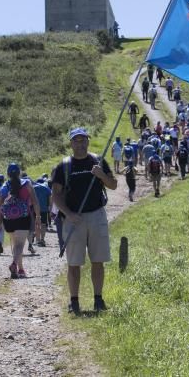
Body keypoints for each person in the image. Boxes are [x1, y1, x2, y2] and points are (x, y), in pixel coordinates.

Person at [52, 128, 117, 315]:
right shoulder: (63, 166)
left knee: (98, 260)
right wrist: (68, 214)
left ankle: (98, 300)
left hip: (97, 215)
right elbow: (55, 195)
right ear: (71, 143)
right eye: (76, 141)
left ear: (88, 142)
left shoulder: (98, 160)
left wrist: (102, 176)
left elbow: (113, 185)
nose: (80, 144)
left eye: (83, 140)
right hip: (73, 219)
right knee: (74, 262)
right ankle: (74, 302)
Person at [0, 163, 41, 279]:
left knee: (16, 245)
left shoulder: (4, 187)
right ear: (19, 172)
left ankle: (20, 269)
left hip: (8, 220)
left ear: (7, 173)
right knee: (20, 244)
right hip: (23, 218)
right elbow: (35, 202)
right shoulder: (27, 184)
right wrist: (38, 217)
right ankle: (14, 264)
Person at [33, 176, 52, 247]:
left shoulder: (33, 187)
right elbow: (50, 200)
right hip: (44, 209)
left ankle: (37, 240)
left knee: (37, 224)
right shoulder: (47, 188)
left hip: (35, 209)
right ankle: (42, 239)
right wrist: (50, 208)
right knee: (43, 224)